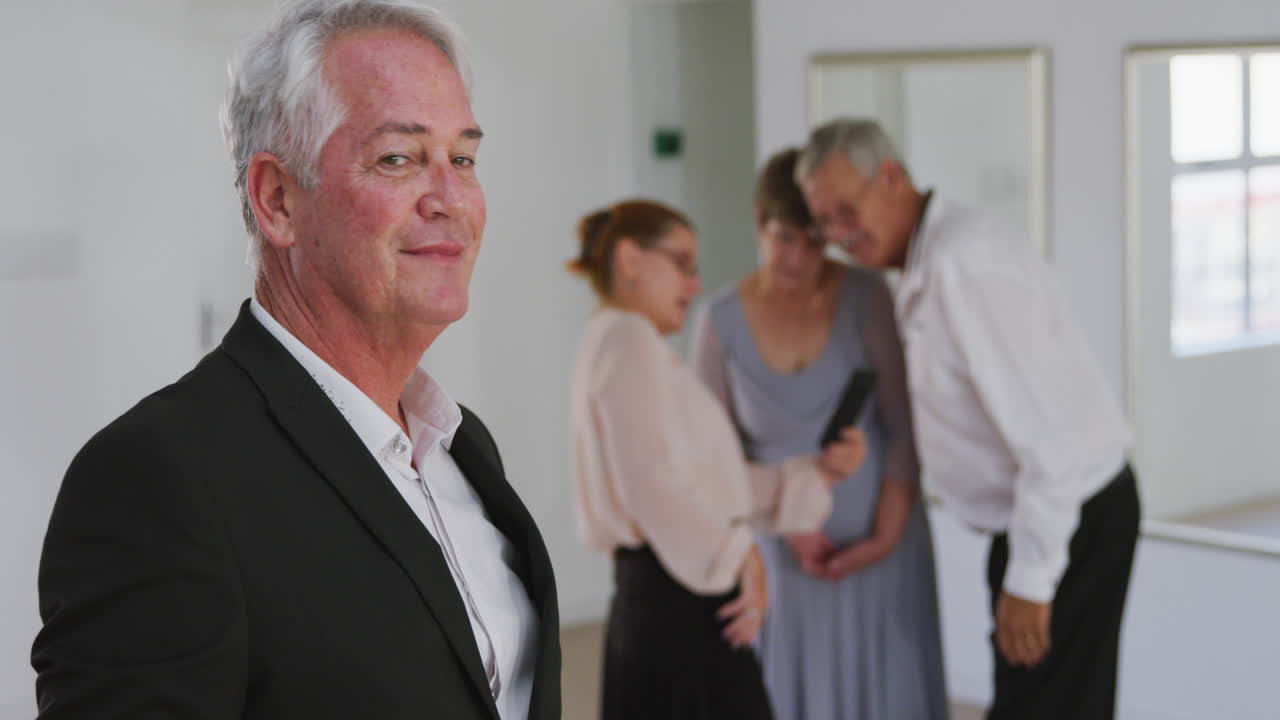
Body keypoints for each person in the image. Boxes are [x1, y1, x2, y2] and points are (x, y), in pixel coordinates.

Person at [31, 2, 560, 718]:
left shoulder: (463, 450)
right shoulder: (162, 478)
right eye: (398, 158)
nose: (451, 200)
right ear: (277, 200)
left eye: (462, 158)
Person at [796, 118, 1141, 720]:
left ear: (892, 177)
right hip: (1033, 518)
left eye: (846, 211)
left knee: (1048, 706)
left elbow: (1050, 437)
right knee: (1036, 700)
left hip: (1066, 516)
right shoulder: (929, 259)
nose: (837, 234)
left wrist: (1032, 580)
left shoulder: (964, 263)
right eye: (823, 221)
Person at [566, 200, 867, 720]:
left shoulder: (626, 343)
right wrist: (740, 555)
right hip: (678, 603)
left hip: (670, 601)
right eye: (682, 264)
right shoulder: (627, 340)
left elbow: (701, 482)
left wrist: (814, 475)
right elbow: (652, 483)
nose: (695, 285)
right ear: (630, 259)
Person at [689, 148, 947, 720]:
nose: (799, 259)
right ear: (760, 222)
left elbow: (903, 432)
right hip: (780, 561)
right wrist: (784, 520)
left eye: (814, 242)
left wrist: (883, 535)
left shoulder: (867, 296)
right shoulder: (720, 320)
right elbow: (710, 459)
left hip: (884, 553)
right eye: (785, 239)